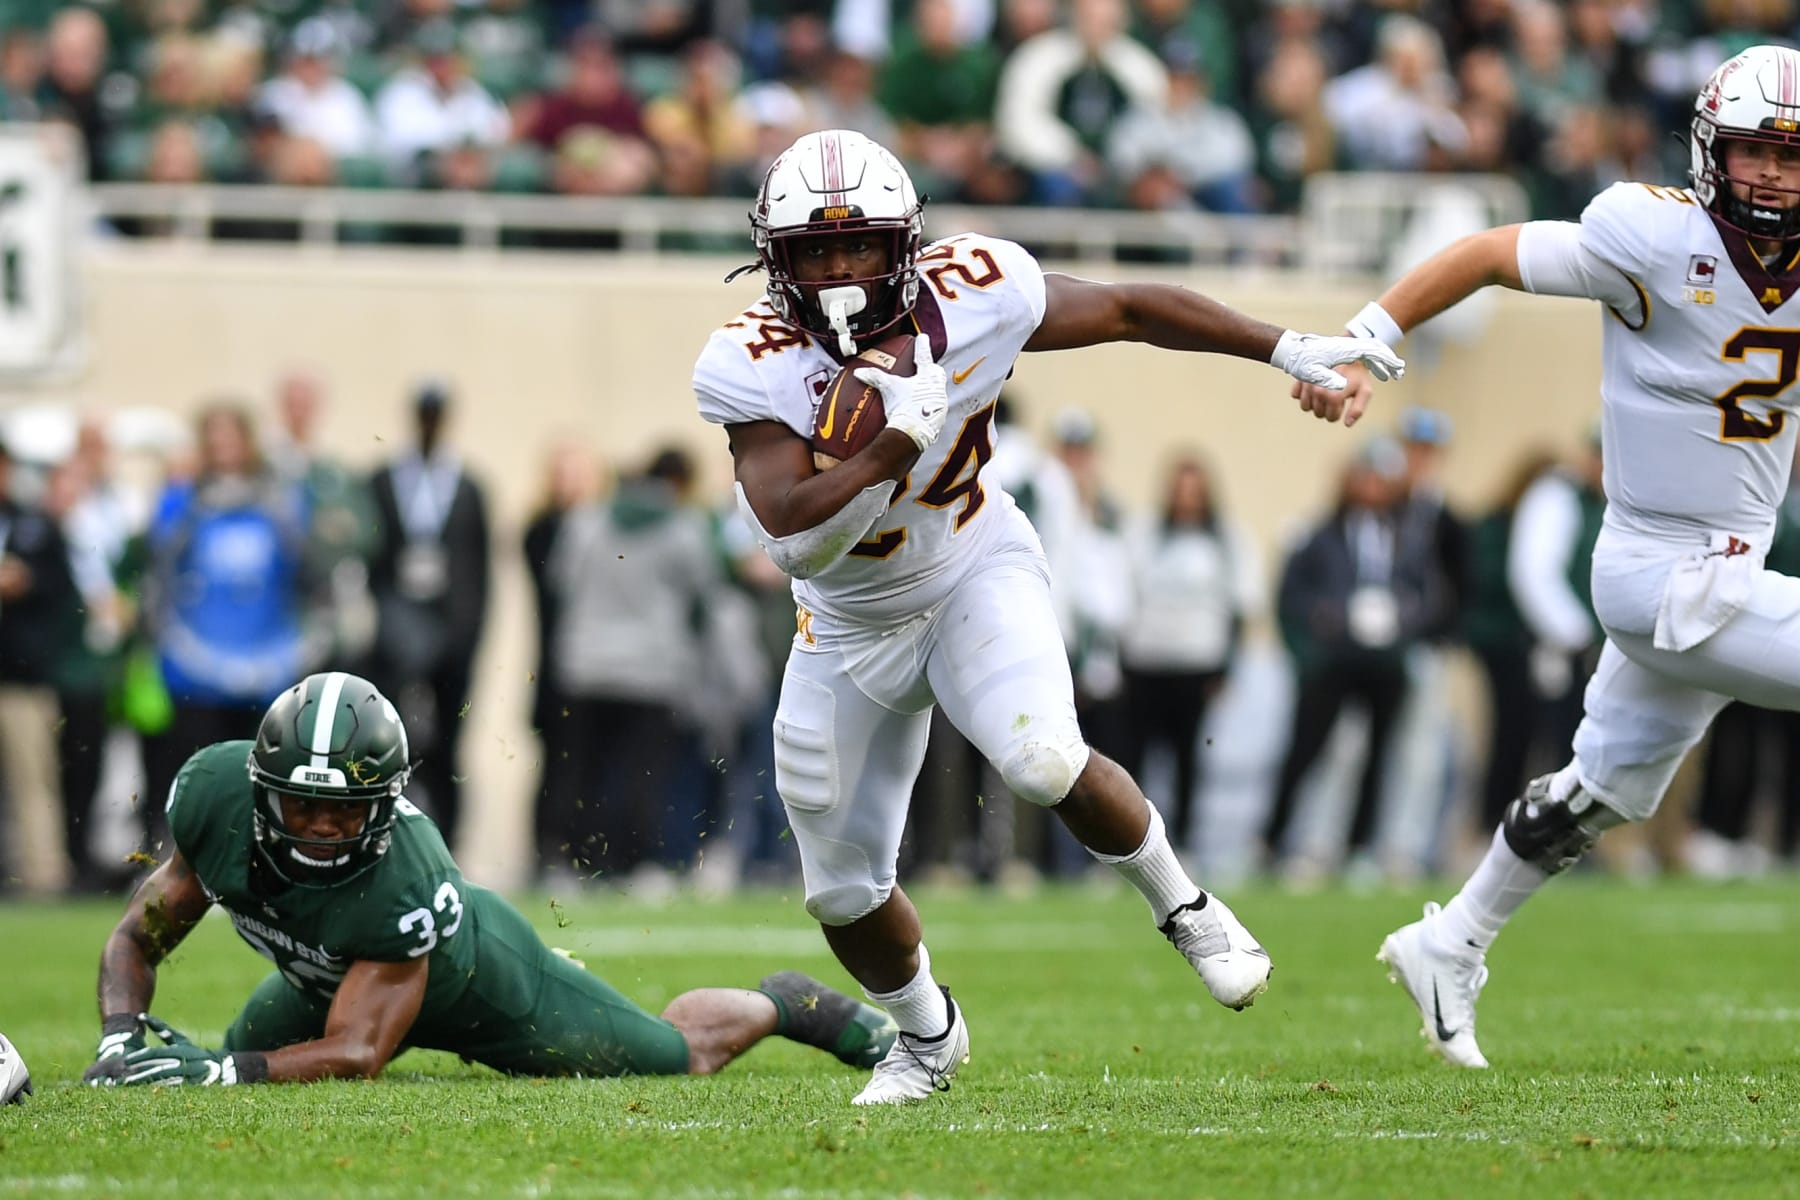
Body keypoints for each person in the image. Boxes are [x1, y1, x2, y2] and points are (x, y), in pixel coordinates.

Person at [692, 128, 1404, 1105]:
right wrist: (893, 445)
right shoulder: (748, 358)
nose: (842, 271)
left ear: (905, 244)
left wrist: (1283, 345)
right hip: (845, 621)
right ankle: (927, 1037)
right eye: (817, 251)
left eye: (860, 245)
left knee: (1040, 758)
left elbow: (1126, 308)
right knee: (841, 890)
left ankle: (1186, 906)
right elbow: (793, 535)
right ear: (777, 260)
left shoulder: (976, 289)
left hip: (973, 565)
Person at [1292, 44, 1800, 1068]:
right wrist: (1369, 335)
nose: (1774, 176)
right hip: (1661, 573)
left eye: (1793, 158)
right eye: (1756, 151)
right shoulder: (1652, 237)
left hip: (1724, 575)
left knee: (1602, 792)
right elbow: (1488, 253)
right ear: (1711, 150)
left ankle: (1450, 941)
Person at [81, 671, 896, 1088]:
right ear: (261, 791)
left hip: (469, 979)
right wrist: (121, 1035)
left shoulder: (407, 871)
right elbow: (138, 936)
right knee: (235, 1062)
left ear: (385, 804)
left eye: (346, 810)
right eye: (304, 805)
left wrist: (223, 1073)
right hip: (325, 972)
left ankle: (784, 1003)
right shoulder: (214, 797)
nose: (324, 826)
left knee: (675, 1057)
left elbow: (359, 1051)